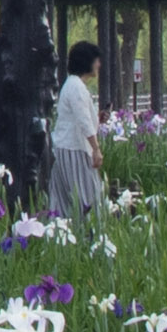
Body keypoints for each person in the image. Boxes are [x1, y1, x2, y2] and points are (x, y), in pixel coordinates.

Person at [48, 35, 106, 215]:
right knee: (88, 200)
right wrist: (95, 148)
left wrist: (98, 117)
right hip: (74, 150)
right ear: (87, 62)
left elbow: (80, 117)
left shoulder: (72, 85)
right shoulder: (76, 87)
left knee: (65, 203)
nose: (99, 65)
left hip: (65, 147)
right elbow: (83, 121)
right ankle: (89, 238)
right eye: (96, 60)